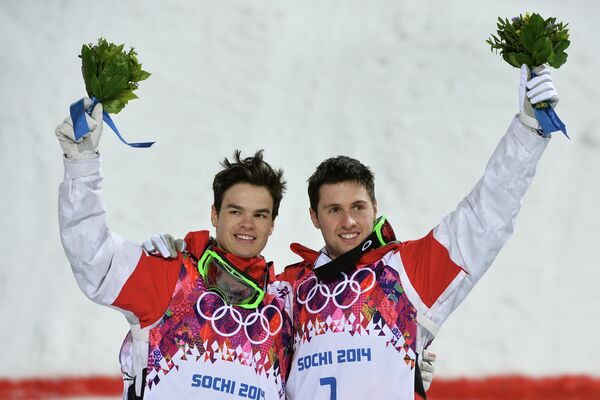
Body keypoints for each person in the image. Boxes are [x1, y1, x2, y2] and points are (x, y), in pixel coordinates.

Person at [273, 65, 560, 399]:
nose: (348, 221)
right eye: (334, 210)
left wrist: (528, 131)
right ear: (314, 217)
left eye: (358, 207)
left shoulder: (405, 270)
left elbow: (485, 216)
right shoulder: (290, 290)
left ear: (375, 208)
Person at [55, 109, 293, 399]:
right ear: (215, 215)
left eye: (260, 214)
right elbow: (93, 258)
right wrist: (82, 167)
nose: (248, 224)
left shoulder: (285, 307)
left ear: (272, 225)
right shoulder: (171, 276)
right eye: (236, 211)